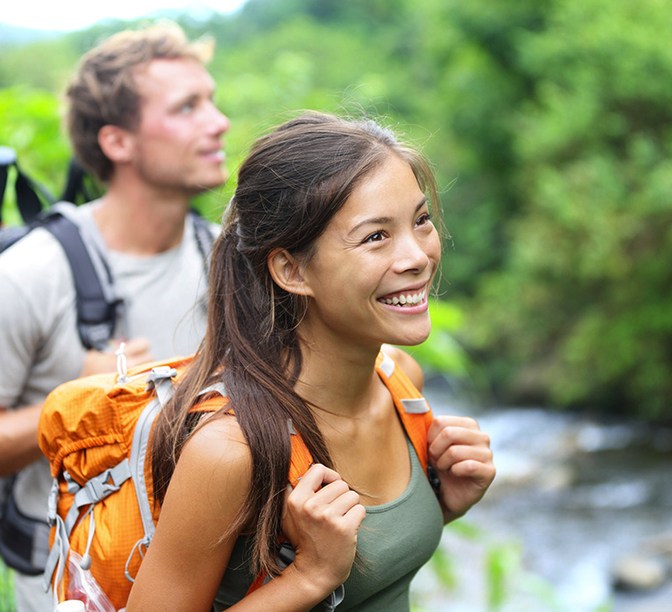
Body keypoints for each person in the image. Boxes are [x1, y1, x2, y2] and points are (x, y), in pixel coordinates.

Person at [128, 112, 495, 611]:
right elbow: (330, 572)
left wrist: (440, 502)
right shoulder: (231, 451)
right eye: (375, 237)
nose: (417, 256)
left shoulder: (399, 384)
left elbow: (373, 572)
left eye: (421, 220)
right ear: (291, 270)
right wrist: (309, 575)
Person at [0, 22, 230, 612]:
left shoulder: (230, 261)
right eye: (187, 107)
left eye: (211, 101)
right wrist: (84, 405)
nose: (218, 122)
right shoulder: (32, 274)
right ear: (118, 142)